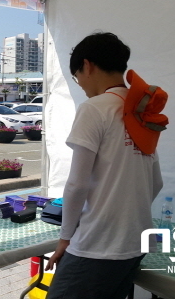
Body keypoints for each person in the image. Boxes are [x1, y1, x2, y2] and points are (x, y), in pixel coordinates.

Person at [45, 32, 164, 299]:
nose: (81, 85)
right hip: (136, 242)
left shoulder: (95, 108)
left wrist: (65, 238)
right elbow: (156, 182)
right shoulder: (142, 112)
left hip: (98, 244)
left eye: (77, 78)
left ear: (87, 66)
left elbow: (77, 184)